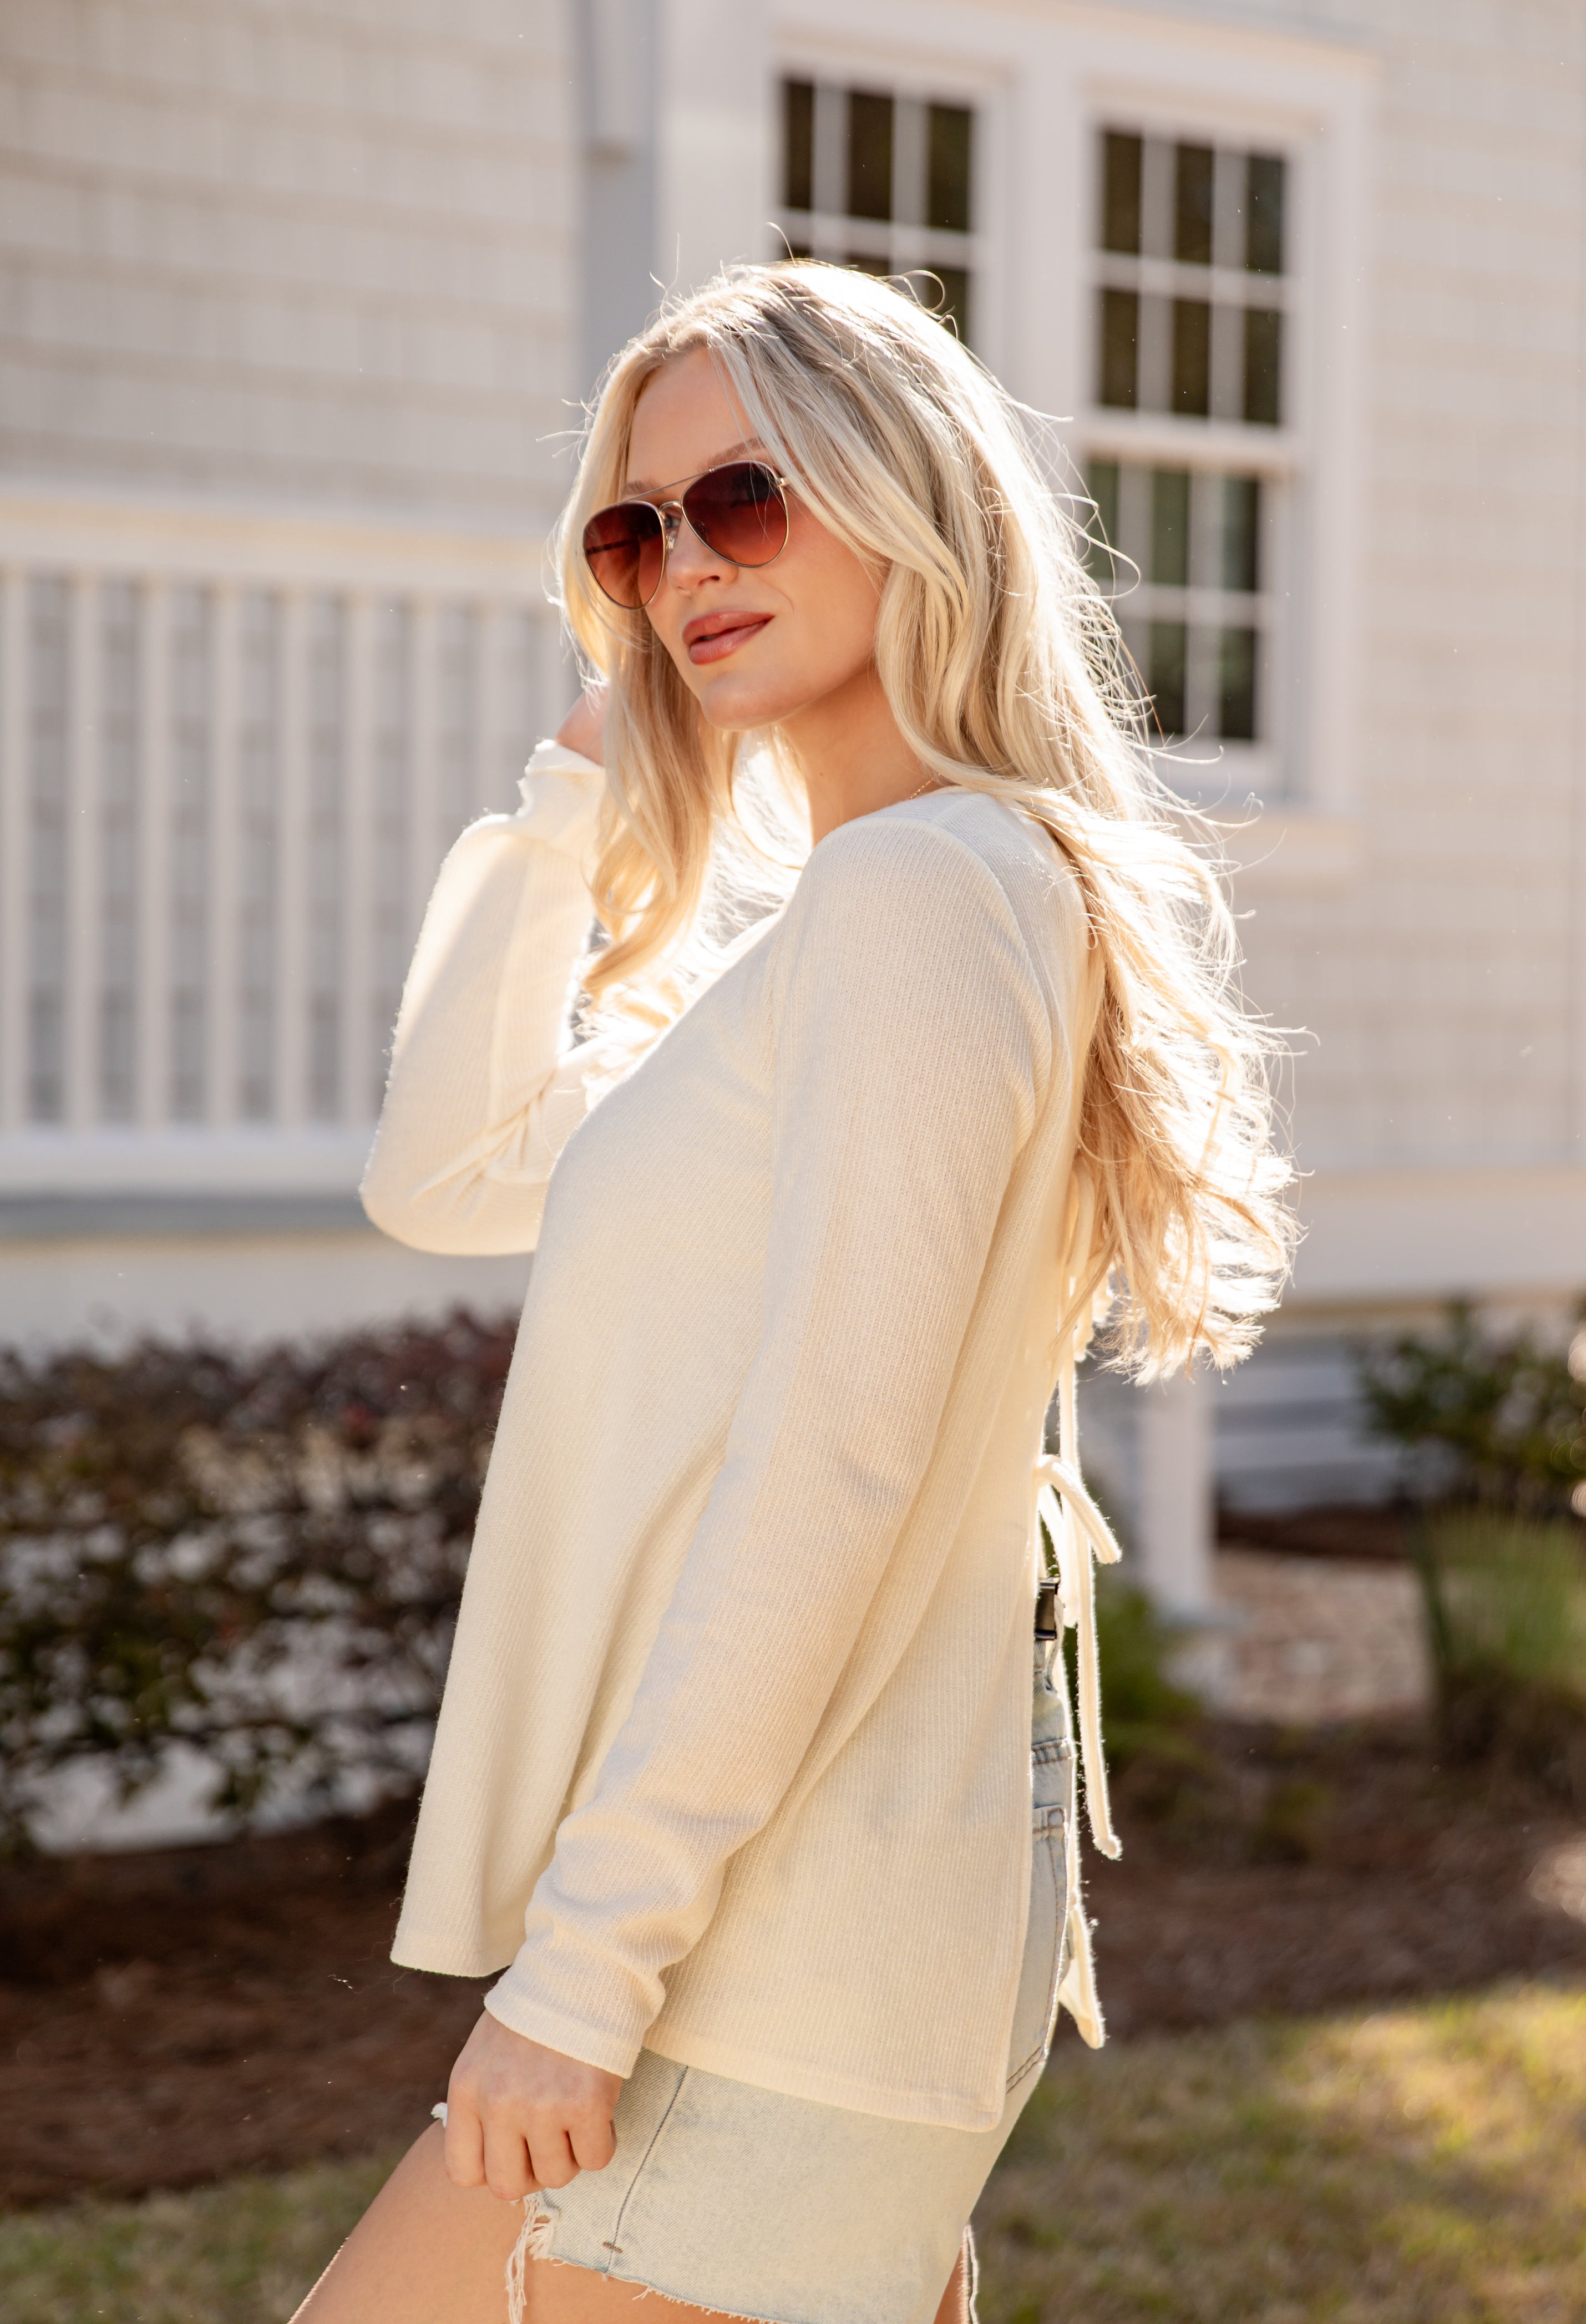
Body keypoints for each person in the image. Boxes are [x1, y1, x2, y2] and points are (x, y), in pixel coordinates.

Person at [291, 261, 1292, 2324]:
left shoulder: (917, 897)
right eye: (632, 531)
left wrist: (581, 1974)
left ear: (901, 492)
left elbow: (822, 1474)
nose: (681, 570)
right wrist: (579, 785)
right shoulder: (864, 917)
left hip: (779, 1961)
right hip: (774, 1934)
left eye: (741, 501)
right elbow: (447, 1172)